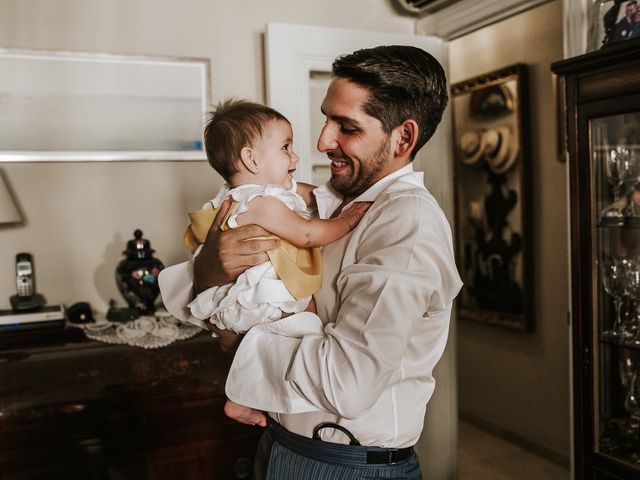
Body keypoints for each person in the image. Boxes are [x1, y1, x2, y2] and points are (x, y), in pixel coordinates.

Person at [161, 45, 462, 480]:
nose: (322, 141)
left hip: (344, 467)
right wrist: (210, 269)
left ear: (404, 138)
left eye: (347, 127)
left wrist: (235, 341)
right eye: (326, 119)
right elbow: (222, 291)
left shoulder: (407, 224)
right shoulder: (324, 202)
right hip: (279, 444)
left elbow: (347, 384)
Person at [160, 98, 369, 423]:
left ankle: (243, 398)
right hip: (260, 295)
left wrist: (343, 197)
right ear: (251, 158)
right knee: (308, 326)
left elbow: (312, 194)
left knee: (279, 341)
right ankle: (242, 398)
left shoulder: (253, 193)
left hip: (247, 292)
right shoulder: (259, 202)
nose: (295, 156)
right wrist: (348, 220)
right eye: (286, 147)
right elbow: (307, 235)